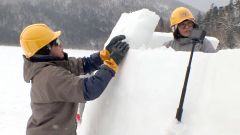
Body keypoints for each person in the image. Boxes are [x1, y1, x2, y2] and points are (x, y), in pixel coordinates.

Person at [20, 23, 129, 135]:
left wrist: (104, 55)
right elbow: (89, 89)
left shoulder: (48, 67)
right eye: (56, 43)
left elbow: (82, 64)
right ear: (45, 49)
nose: (61, 45)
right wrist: (111, 64)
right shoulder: (51, 76)